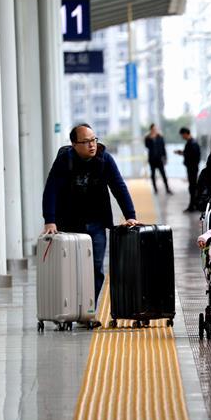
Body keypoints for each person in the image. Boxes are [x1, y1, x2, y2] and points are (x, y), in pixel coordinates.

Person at [42, 123, 138, 302]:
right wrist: (50, 220)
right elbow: (51, 189)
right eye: (86, 141)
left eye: (94, 139)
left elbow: (119, 187)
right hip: (69, 224)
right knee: (69, 268)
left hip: (97, 223)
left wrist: (130, 215)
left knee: (96, 267)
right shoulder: (65, 161)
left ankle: (89, 309)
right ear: (74, 144)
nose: (92, 144)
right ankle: (69, 307)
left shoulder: (104, 159)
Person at [174, 127, 201, 212]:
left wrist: (184, 154)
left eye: (182, 135)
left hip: (192, 168)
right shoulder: (192, 142)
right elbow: (190, 154)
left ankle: (192, 206)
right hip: (192, 168)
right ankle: (193, 205)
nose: (182, 137)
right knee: (192, 187)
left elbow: (193, 156)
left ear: (185, 133)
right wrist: (182, 153)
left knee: (192, 187)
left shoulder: (192, 143)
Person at [144, 123, 172, 194]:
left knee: (163, 174)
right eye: (153, 129)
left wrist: (165, 158)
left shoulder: (160, 137)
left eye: (155, 129)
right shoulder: (147, 138)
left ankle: (167, 188)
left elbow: (163, 148)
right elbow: (147, 146)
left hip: (159, 159)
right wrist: (149, 138)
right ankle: (155, 189)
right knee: (153, 174)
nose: (154, 130)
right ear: (151, 129)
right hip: (152, 159)